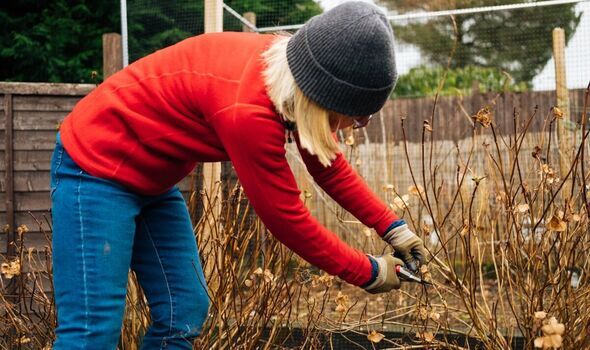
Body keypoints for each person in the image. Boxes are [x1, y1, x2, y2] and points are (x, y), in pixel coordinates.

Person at [49, 2, 427, 349]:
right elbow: (287, 220)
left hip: (152, 181)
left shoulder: (291, 73)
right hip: (94, 169)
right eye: (358, 115)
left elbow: (326, 164)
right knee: (91, 331)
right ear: (323, 97)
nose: (359, 125)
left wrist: (391, 226)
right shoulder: (248, 111)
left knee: (184, 309)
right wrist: (368, 272)